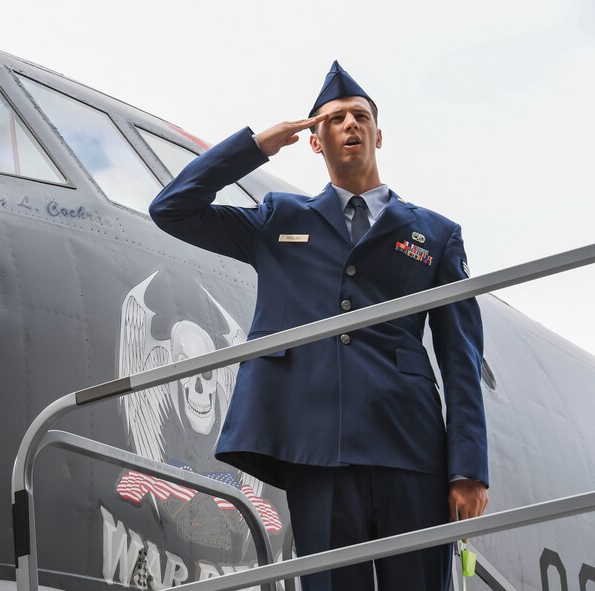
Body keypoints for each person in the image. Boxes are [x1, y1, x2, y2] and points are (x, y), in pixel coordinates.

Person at [148, 61, 488, 591]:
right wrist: (256, 145)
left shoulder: (435, 234)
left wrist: (468, 468)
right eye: (332, 120)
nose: (348, 125)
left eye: (359, 117)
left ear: (379, 133)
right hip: (315, 449)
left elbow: (460, 356)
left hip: (409, 447)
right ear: (314, 140)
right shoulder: (281, 217)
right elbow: (172, 208)